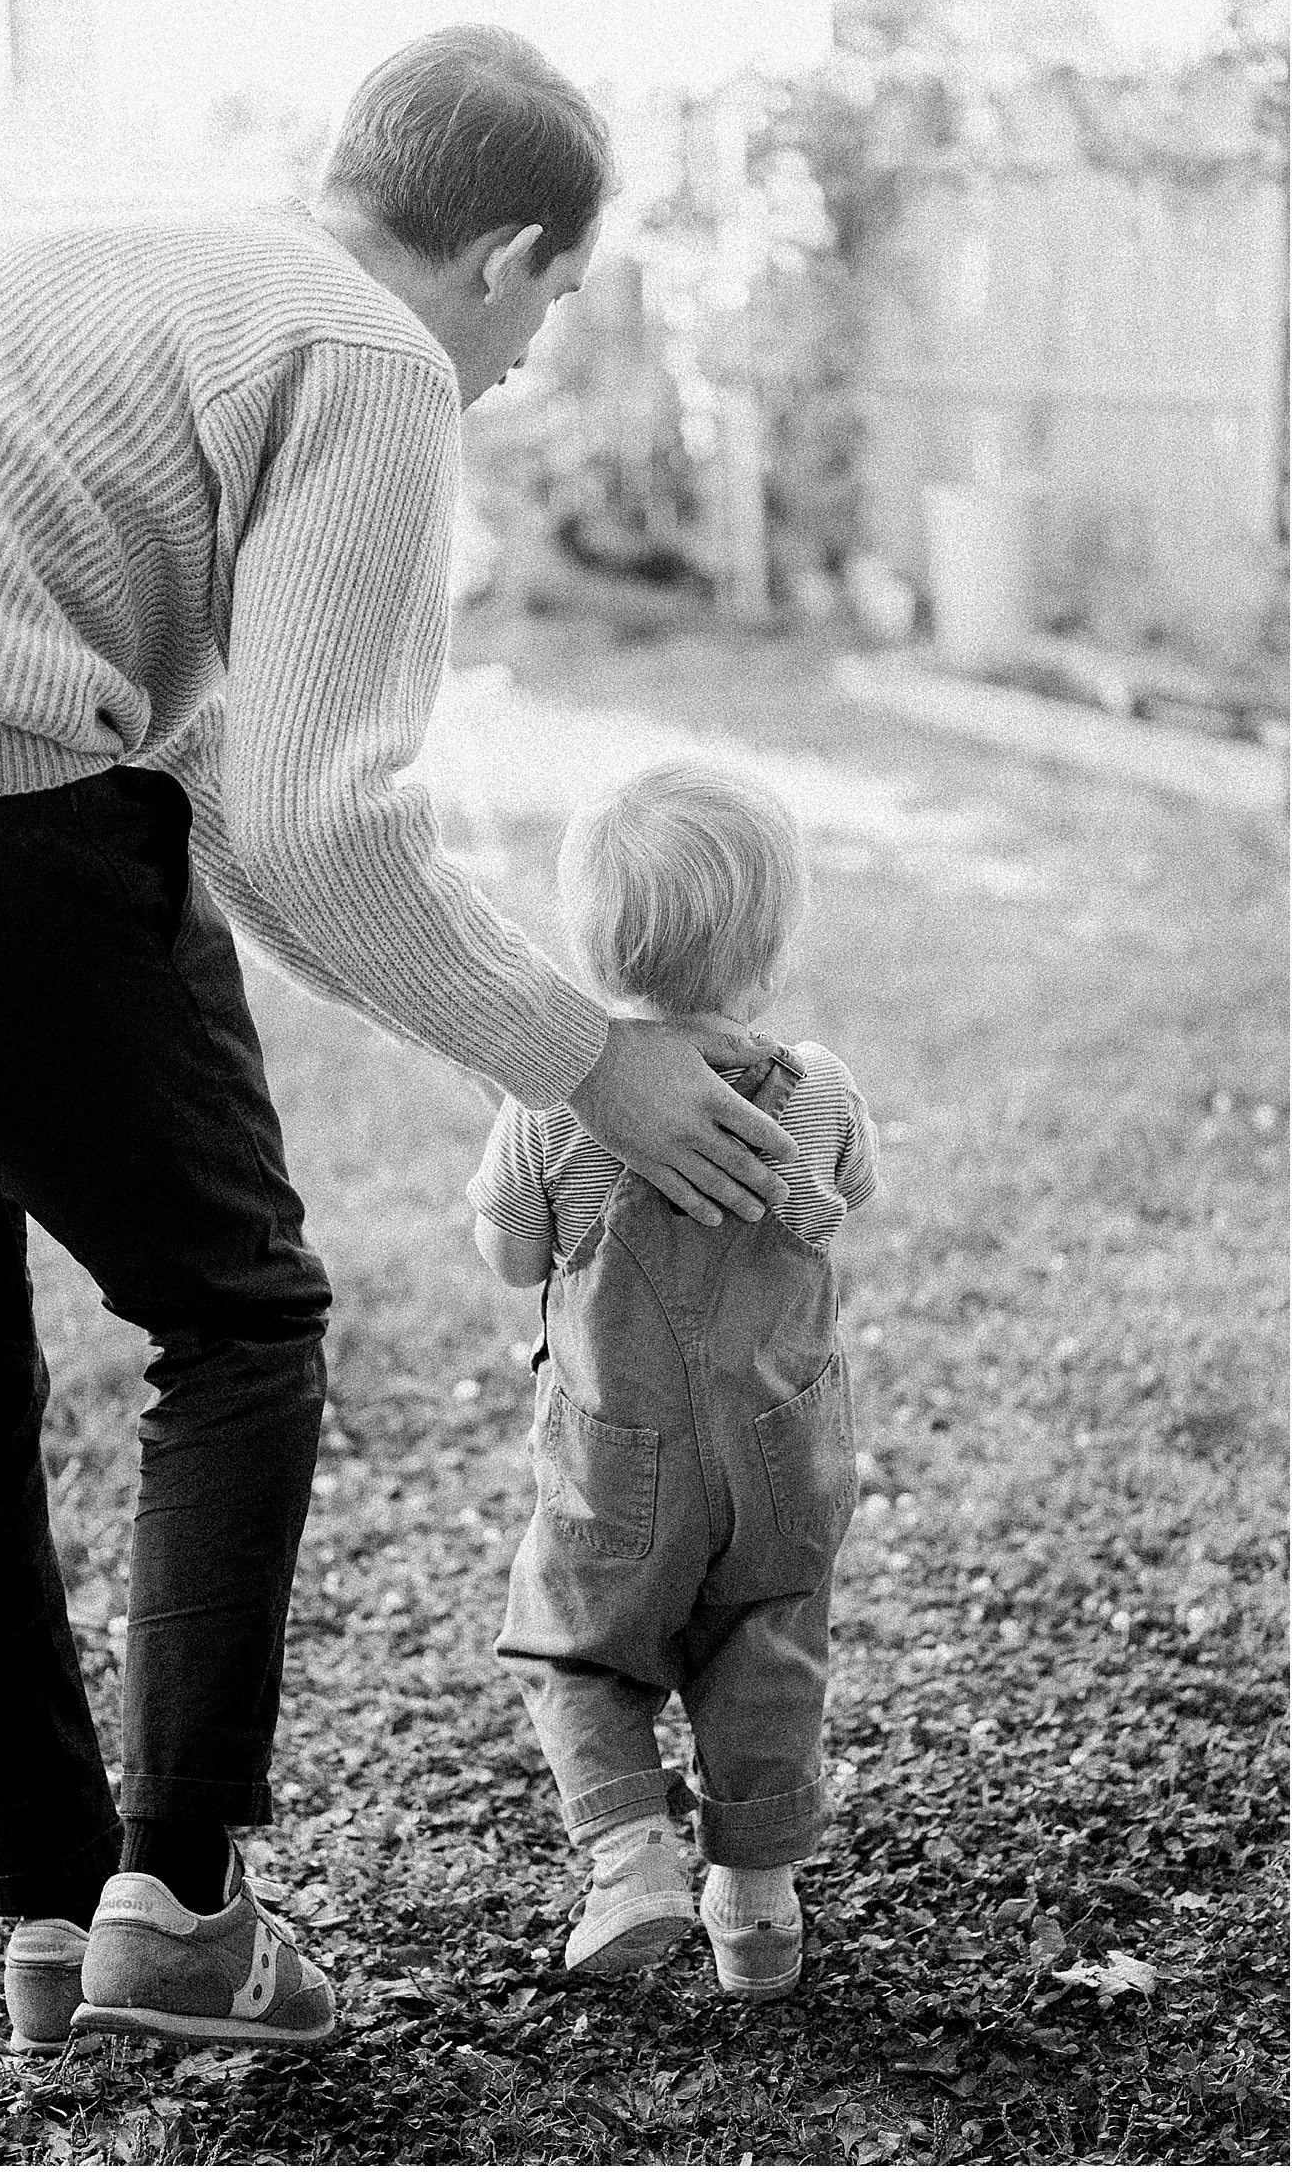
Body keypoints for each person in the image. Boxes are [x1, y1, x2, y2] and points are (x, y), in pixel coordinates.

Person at [0, 26, 801, 2055]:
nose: (523, 362)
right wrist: (588, 1057)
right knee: (240, 1317)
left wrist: (529, 1032)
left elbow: (237, 797)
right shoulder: (365, 356)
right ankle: (176, 1905)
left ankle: (50, 1920)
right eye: (555, 305)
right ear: (510, 253)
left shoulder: (121, 274)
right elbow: (328, 820)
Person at [470, 761, 879, 1998]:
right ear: (770, 949)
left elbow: (510, 1257)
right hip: (783, 1448)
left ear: (589, 948)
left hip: (619, 1456)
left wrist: (513, 1128)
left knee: (579, 1646)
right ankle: (756, 1909)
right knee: (769, 1643)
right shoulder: (815, 1089)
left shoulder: (559, 1110)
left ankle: (631, 1852)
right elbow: (851, 1203)